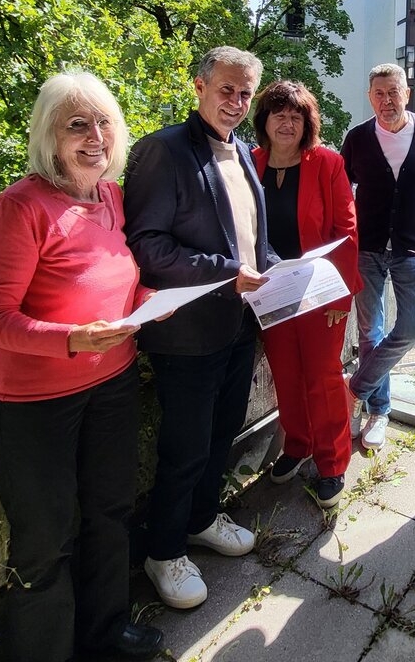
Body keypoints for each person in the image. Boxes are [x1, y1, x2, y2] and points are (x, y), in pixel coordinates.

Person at [0, 71, 163, 662]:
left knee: (109, 512)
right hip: (34, 405)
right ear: (47, 137)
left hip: (113, 383)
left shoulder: (110, 196)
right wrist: (72, 339)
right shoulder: (20, 205)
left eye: (103, 122)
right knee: (44, 541)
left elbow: (108, 281)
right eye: (76, 124)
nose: (94, 136)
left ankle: (105, 632)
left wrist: (141, 302)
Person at [123, 46, 274, 611]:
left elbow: (248, 240)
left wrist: (281, 267)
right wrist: (229, 273)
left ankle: (202, 518)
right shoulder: (162, 151)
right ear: (200, 88)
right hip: (185, 332)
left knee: (223, 431)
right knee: (185, 446)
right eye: (225, 90)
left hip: (237, 324)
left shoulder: (241, 153)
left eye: (244, 93)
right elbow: (147, 246)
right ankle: (162, 552)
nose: (236, 103)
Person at [250, 81, 362, 507]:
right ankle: (297, 445)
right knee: (285, 373)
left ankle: (332, 463)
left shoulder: (327, 163)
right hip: (269, 291)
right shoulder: (250, 162)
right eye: (278, 113)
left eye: (296, 114)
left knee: (322, 376)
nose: (286, 121)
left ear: (307, 123)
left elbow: (346, 233)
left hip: (319, 293)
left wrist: (340, 300)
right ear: (263, 120)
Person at [341, 63, 415, 451]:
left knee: (411, 329)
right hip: (366, 249)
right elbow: (341, 191)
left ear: (407, 93)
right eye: (379, 94)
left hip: (411, 251)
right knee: (369, 332)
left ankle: (354, 389)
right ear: (371, 98)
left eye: (394, 92)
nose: (387, 101)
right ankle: (378, 411)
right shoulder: (357, 138)